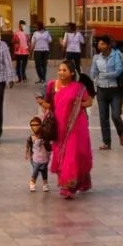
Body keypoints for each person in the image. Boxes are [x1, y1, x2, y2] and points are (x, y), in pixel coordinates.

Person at [37, 59, 94, 199]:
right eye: (60, 70)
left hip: (76, 126)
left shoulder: (79, 88)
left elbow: (89, 101)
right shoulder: (52, 85)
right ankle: (68, 182)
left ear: (72, 73)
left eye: (64, 70)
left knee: (73, 154)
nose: (61, 73)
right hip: (59, 126)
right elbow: (49, 104)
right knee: (61, 154)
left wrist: (77, 105)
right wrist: (41, 102)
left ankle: (68, 186)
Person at [90, 35, 123, 150]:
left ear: (108, 45)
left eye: (102, 44)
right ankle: (107, 142)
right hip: (101, 90)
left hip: (115, 90)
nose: (99, 46)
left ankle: (120, 133)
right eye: (99, 44)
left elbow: (118, 71)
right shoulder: (96, 58)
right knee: (103, 117)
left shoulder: (117, 55)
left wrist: (104, 75)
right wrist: (95, 78)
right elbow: (93, 73)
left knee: (115, 115)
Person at [25, 116, 50, 192]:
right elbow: (28, 146)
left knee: (44, 171)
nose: (34, 127)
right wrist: (26, 153)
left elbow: (49, 146)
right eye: (32, 125)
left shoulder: (44, 136)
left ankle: (45, 183)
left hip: (44, 157)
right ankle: (32, 182)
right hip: (35, 158)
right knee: (36, 170)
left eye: (36, 125)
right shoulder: (31, 138)